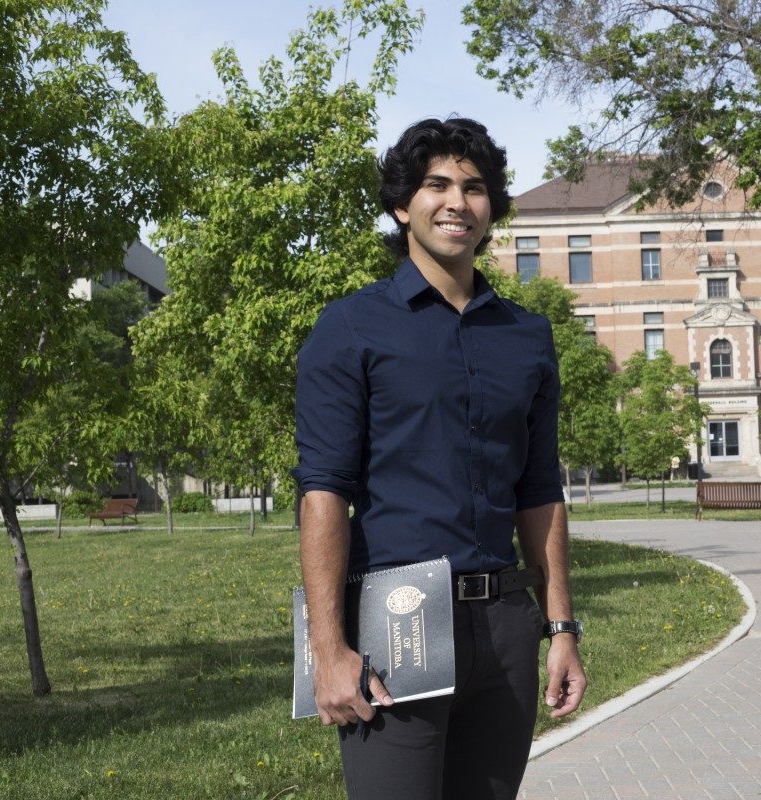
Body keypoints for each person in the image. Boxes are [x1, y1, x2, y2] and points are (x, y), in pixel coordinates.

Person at [292, 117, 586, 800]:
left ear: (492, 209)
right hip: (394, 626)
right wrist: (328, 649)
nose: (458, 202)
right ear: (403, 205)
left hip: (507, 627)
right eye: (438, 184)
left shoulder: (527, 337)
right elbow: (324, 493)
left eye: (475, 188)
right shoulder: (351, 328)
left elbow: (540, 491)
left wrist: (562, 628)